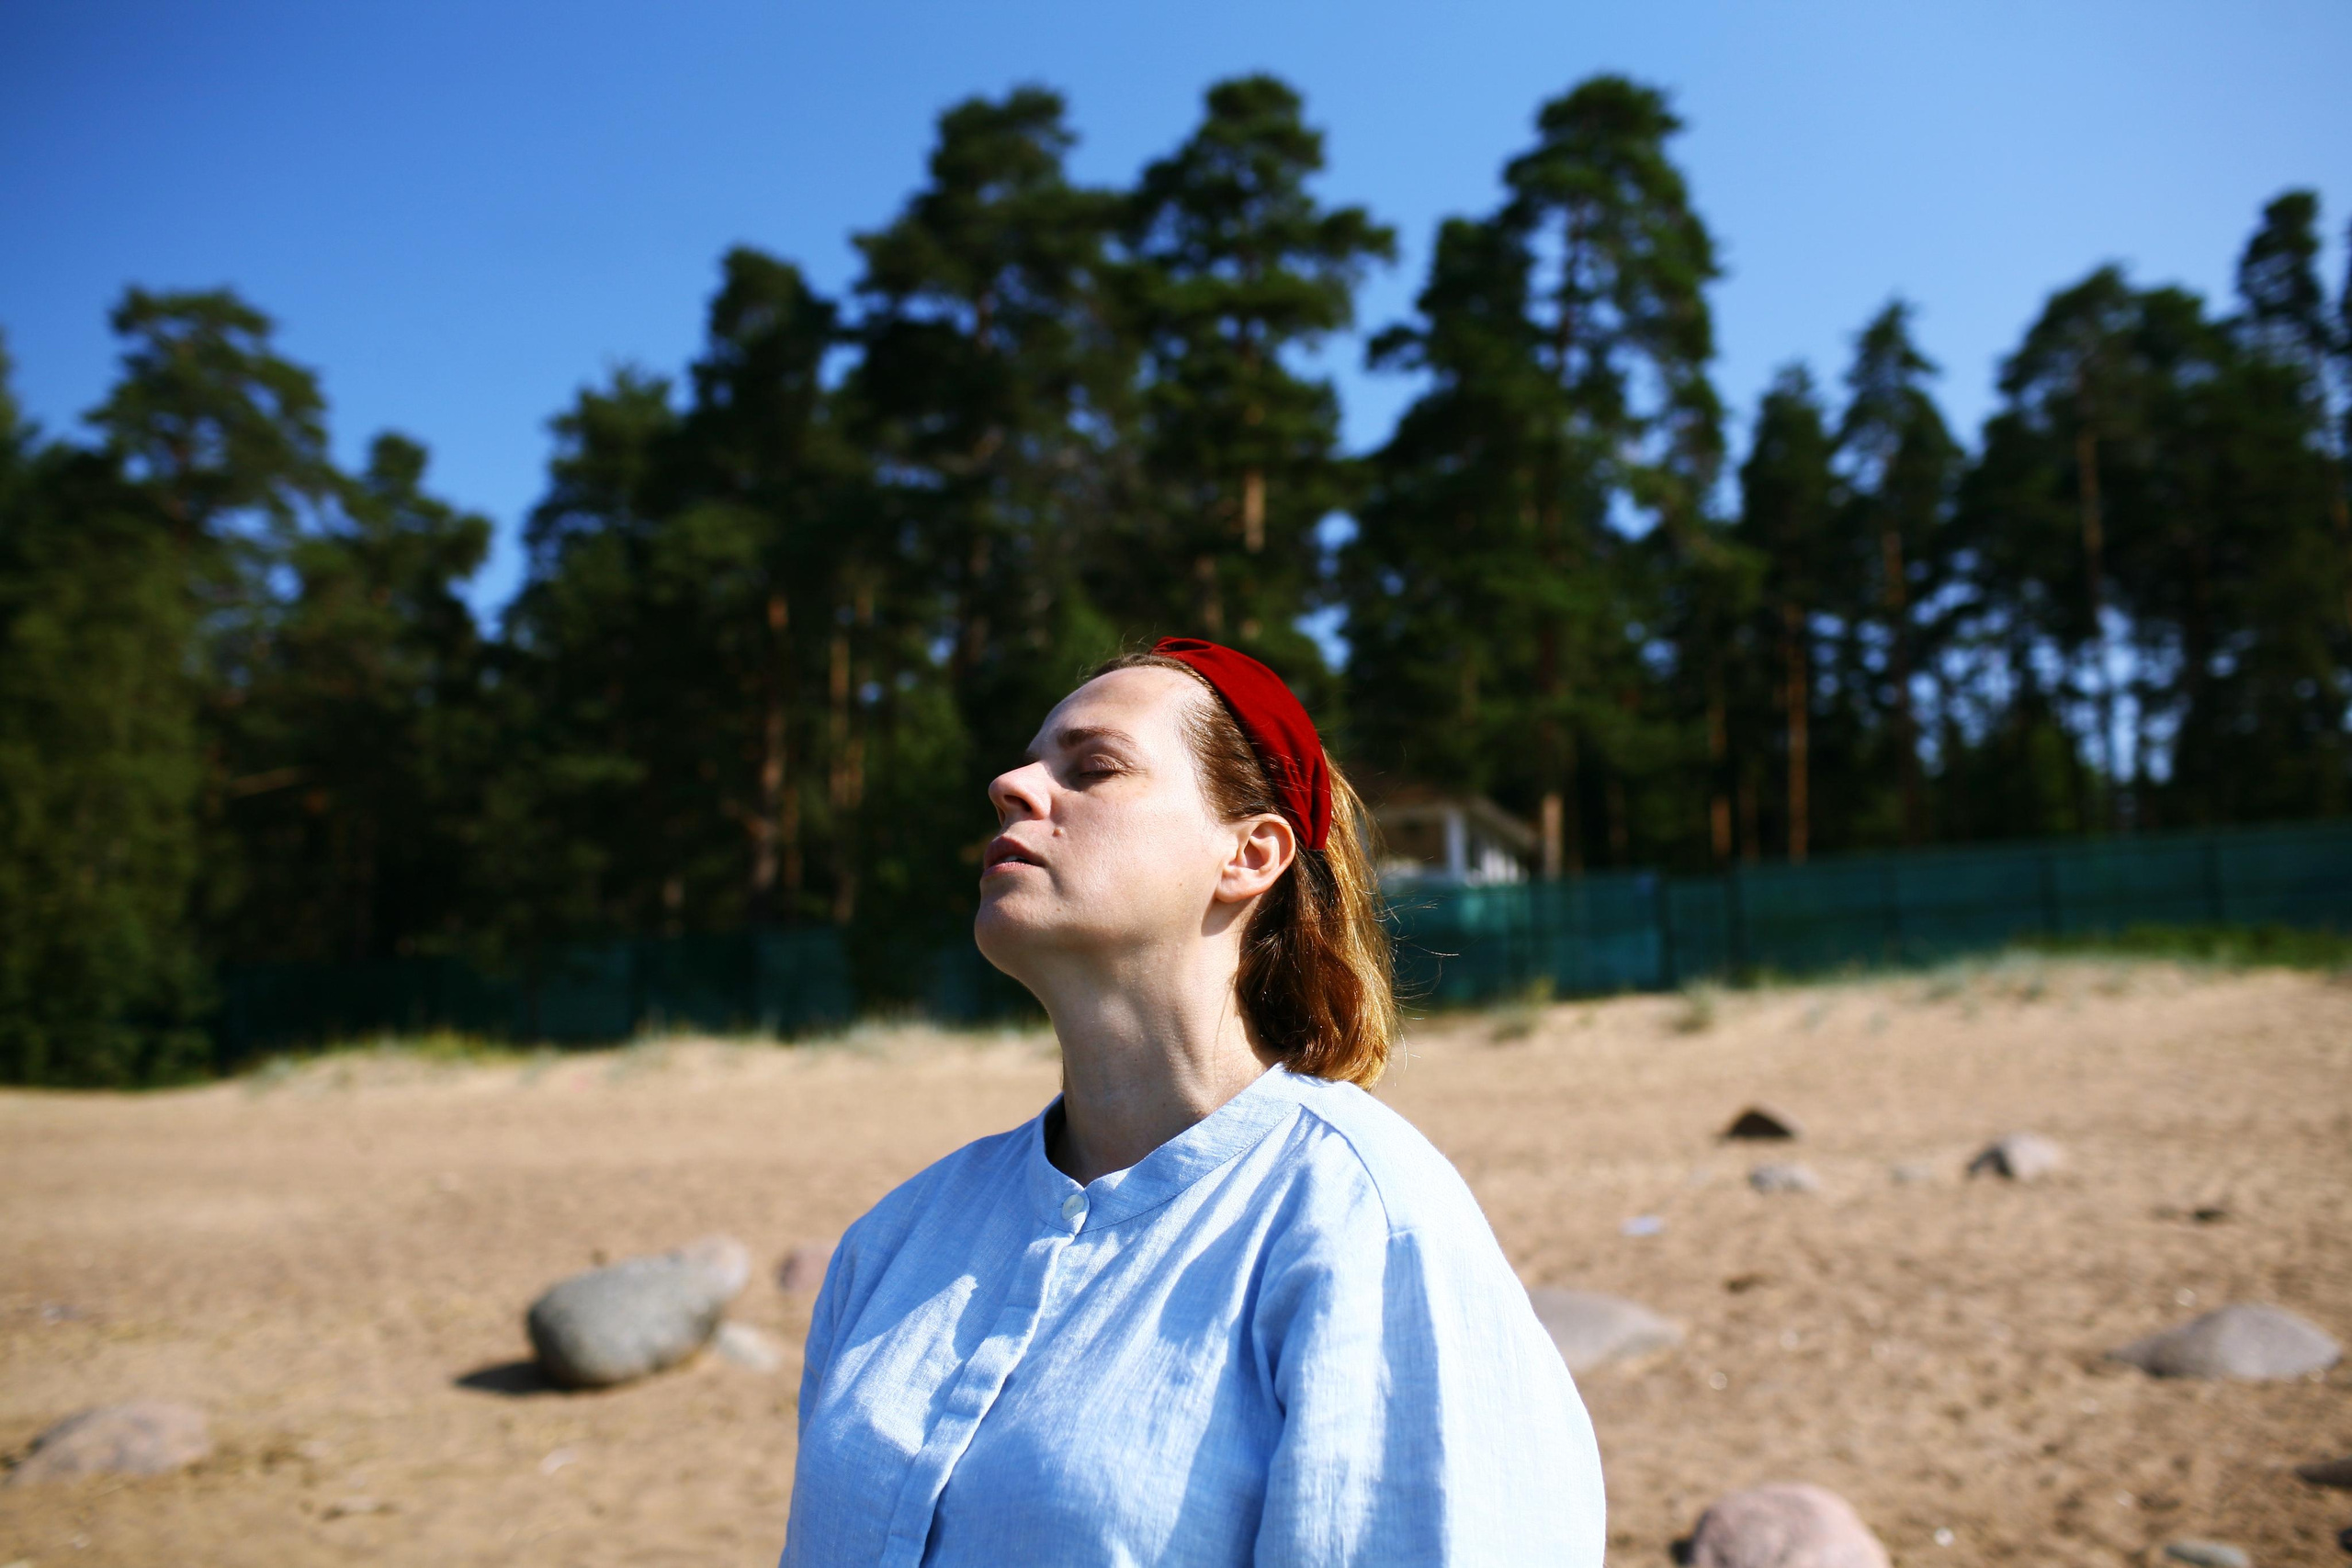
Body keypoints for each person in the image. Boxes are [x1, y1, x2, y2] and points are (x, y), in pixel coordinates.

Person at [779, 638, 1604, 1567]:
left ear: (1249, 854)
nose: (1011, 785)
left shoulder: (1362, 1224)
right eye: (1023, 762)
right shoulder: (895, 1244)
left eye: (1093, 767)